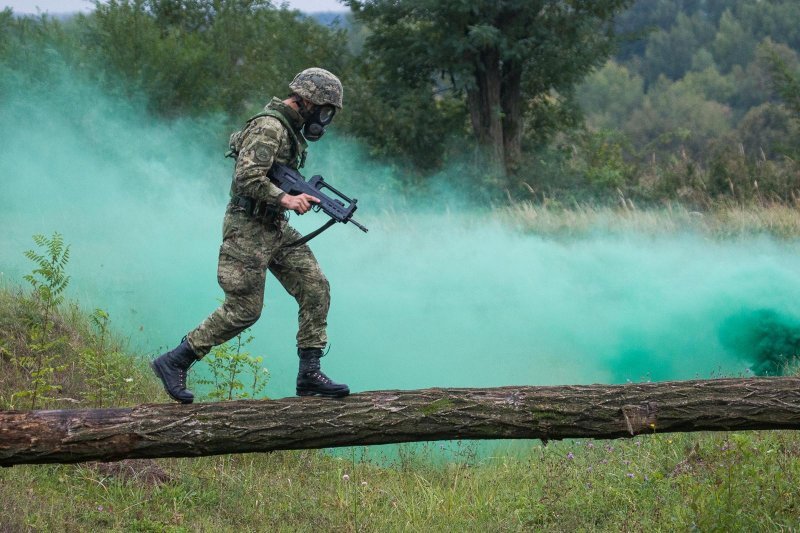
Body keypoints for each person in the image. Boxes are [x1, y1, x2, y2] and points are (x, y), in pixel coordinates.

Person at [151, 67, 350, 404]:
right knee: (244, 308)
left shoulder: (288, 129)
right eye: (324, 109)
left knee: (315, 286)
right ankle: (175, 360)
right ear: (307, 101)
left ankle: (309, 373)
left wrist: (289, 199)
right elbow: (246, 177)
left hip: (274, 226)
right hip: (247, 227)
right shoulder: (269, 127)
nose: (324, 118)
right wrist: (285, 198)